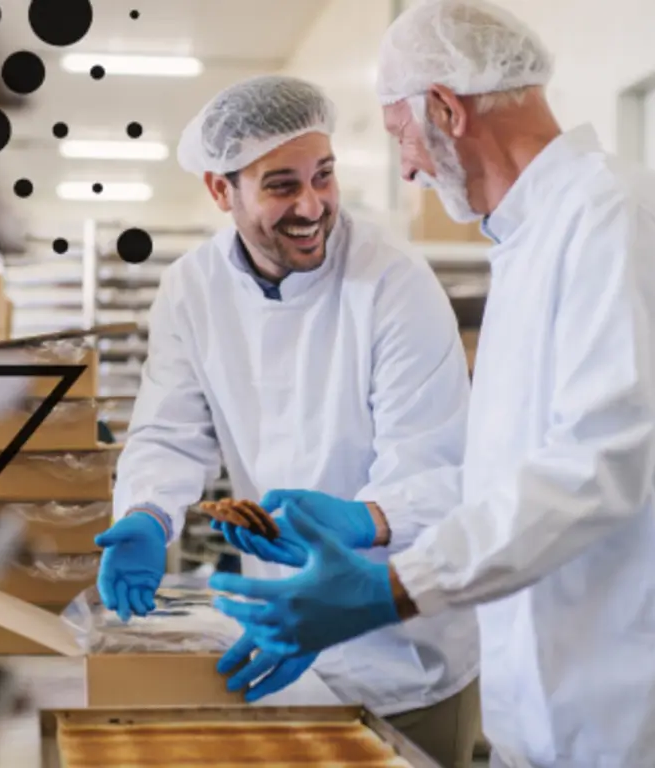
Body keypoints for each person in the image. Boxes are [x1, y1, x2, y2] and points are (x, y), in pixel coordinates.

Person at [206, 3, 655, 768]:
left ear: (446, 109)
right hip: (550, 708)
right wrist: (372, 522)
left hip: (648, 712)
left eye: (400, 137)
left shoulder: (612, 217)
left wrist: (390, 589)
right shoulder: (529, 240)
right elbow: (507, 475)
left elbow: (592, 469)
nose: (409, 167)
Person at [94, 74, 484, 767]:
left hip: (405, 652)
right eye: (281, 185)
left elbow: (436, 465)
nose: (312, 205)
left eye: (324, 176)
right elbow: (169, 429)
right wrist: (149, 512)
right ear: (222, 191)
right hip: (282, 638)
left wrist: (361, 520)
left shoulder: (395, 284)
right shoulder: (192, 288)